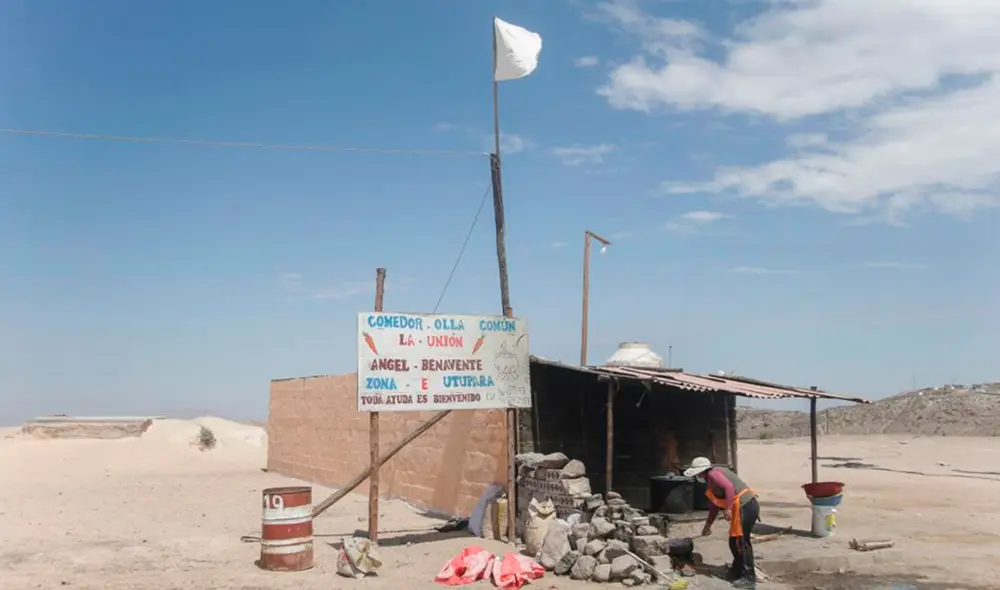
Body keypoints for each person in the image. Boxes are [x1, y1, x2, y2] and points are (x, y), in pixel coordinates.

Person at [684, 456, 760, 589]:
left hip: (745, 506)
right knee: (733, 542)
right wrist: (707, 526)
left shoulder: (714, 474)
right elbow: (713, 507)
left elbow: (729, 488)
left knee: (742, 543)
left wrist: (728, 508)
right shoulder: (710, 482)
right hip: (741, 508)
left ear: (701, 472)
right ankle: (737, 571)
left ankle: (749, 578)